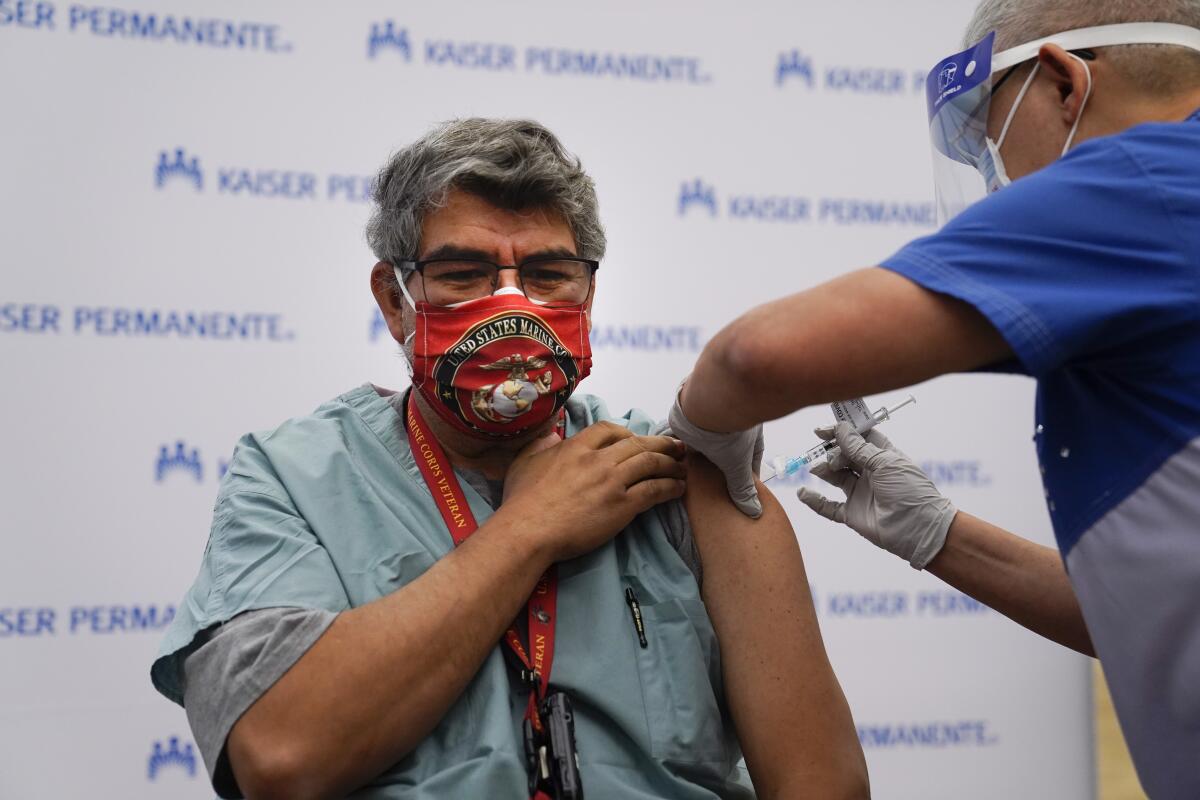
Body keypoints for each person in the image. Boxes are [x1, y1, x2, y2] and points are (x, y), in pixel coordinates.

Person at [150, 118, 868, 800]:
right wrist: (530, 529)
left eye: (549, 273)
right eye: (463, 273)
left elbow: (822, 782)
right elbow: (280, 758)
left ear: (590, 291)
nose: (511, 306)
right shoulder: (292, 478)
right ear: (395, 301)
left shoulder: (679, 475)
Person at [669, 2, 1200, 797]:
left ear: (1063, 83)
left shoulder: (1150, 179)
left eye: (992, 133)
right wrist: (939, 534)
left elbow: (756, 356)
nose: (997, 170)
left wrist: (697, 426)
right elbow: (1147, 622)